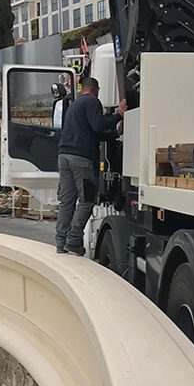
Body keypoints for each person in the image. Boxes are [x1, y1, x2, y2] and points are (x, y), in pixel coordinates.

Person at [55, 77, 127, 255]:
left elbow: (94, 133)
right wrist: (118, 114)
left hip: (64, 157)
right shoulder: (92, 101)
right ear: (95, 89)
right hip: (81, 159)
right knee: (87, 199)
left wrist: (115, 133)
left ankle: (61, 241)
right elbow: (98, 125)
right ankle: (73, 240)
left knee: (67, 201)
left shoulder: (74, 106)